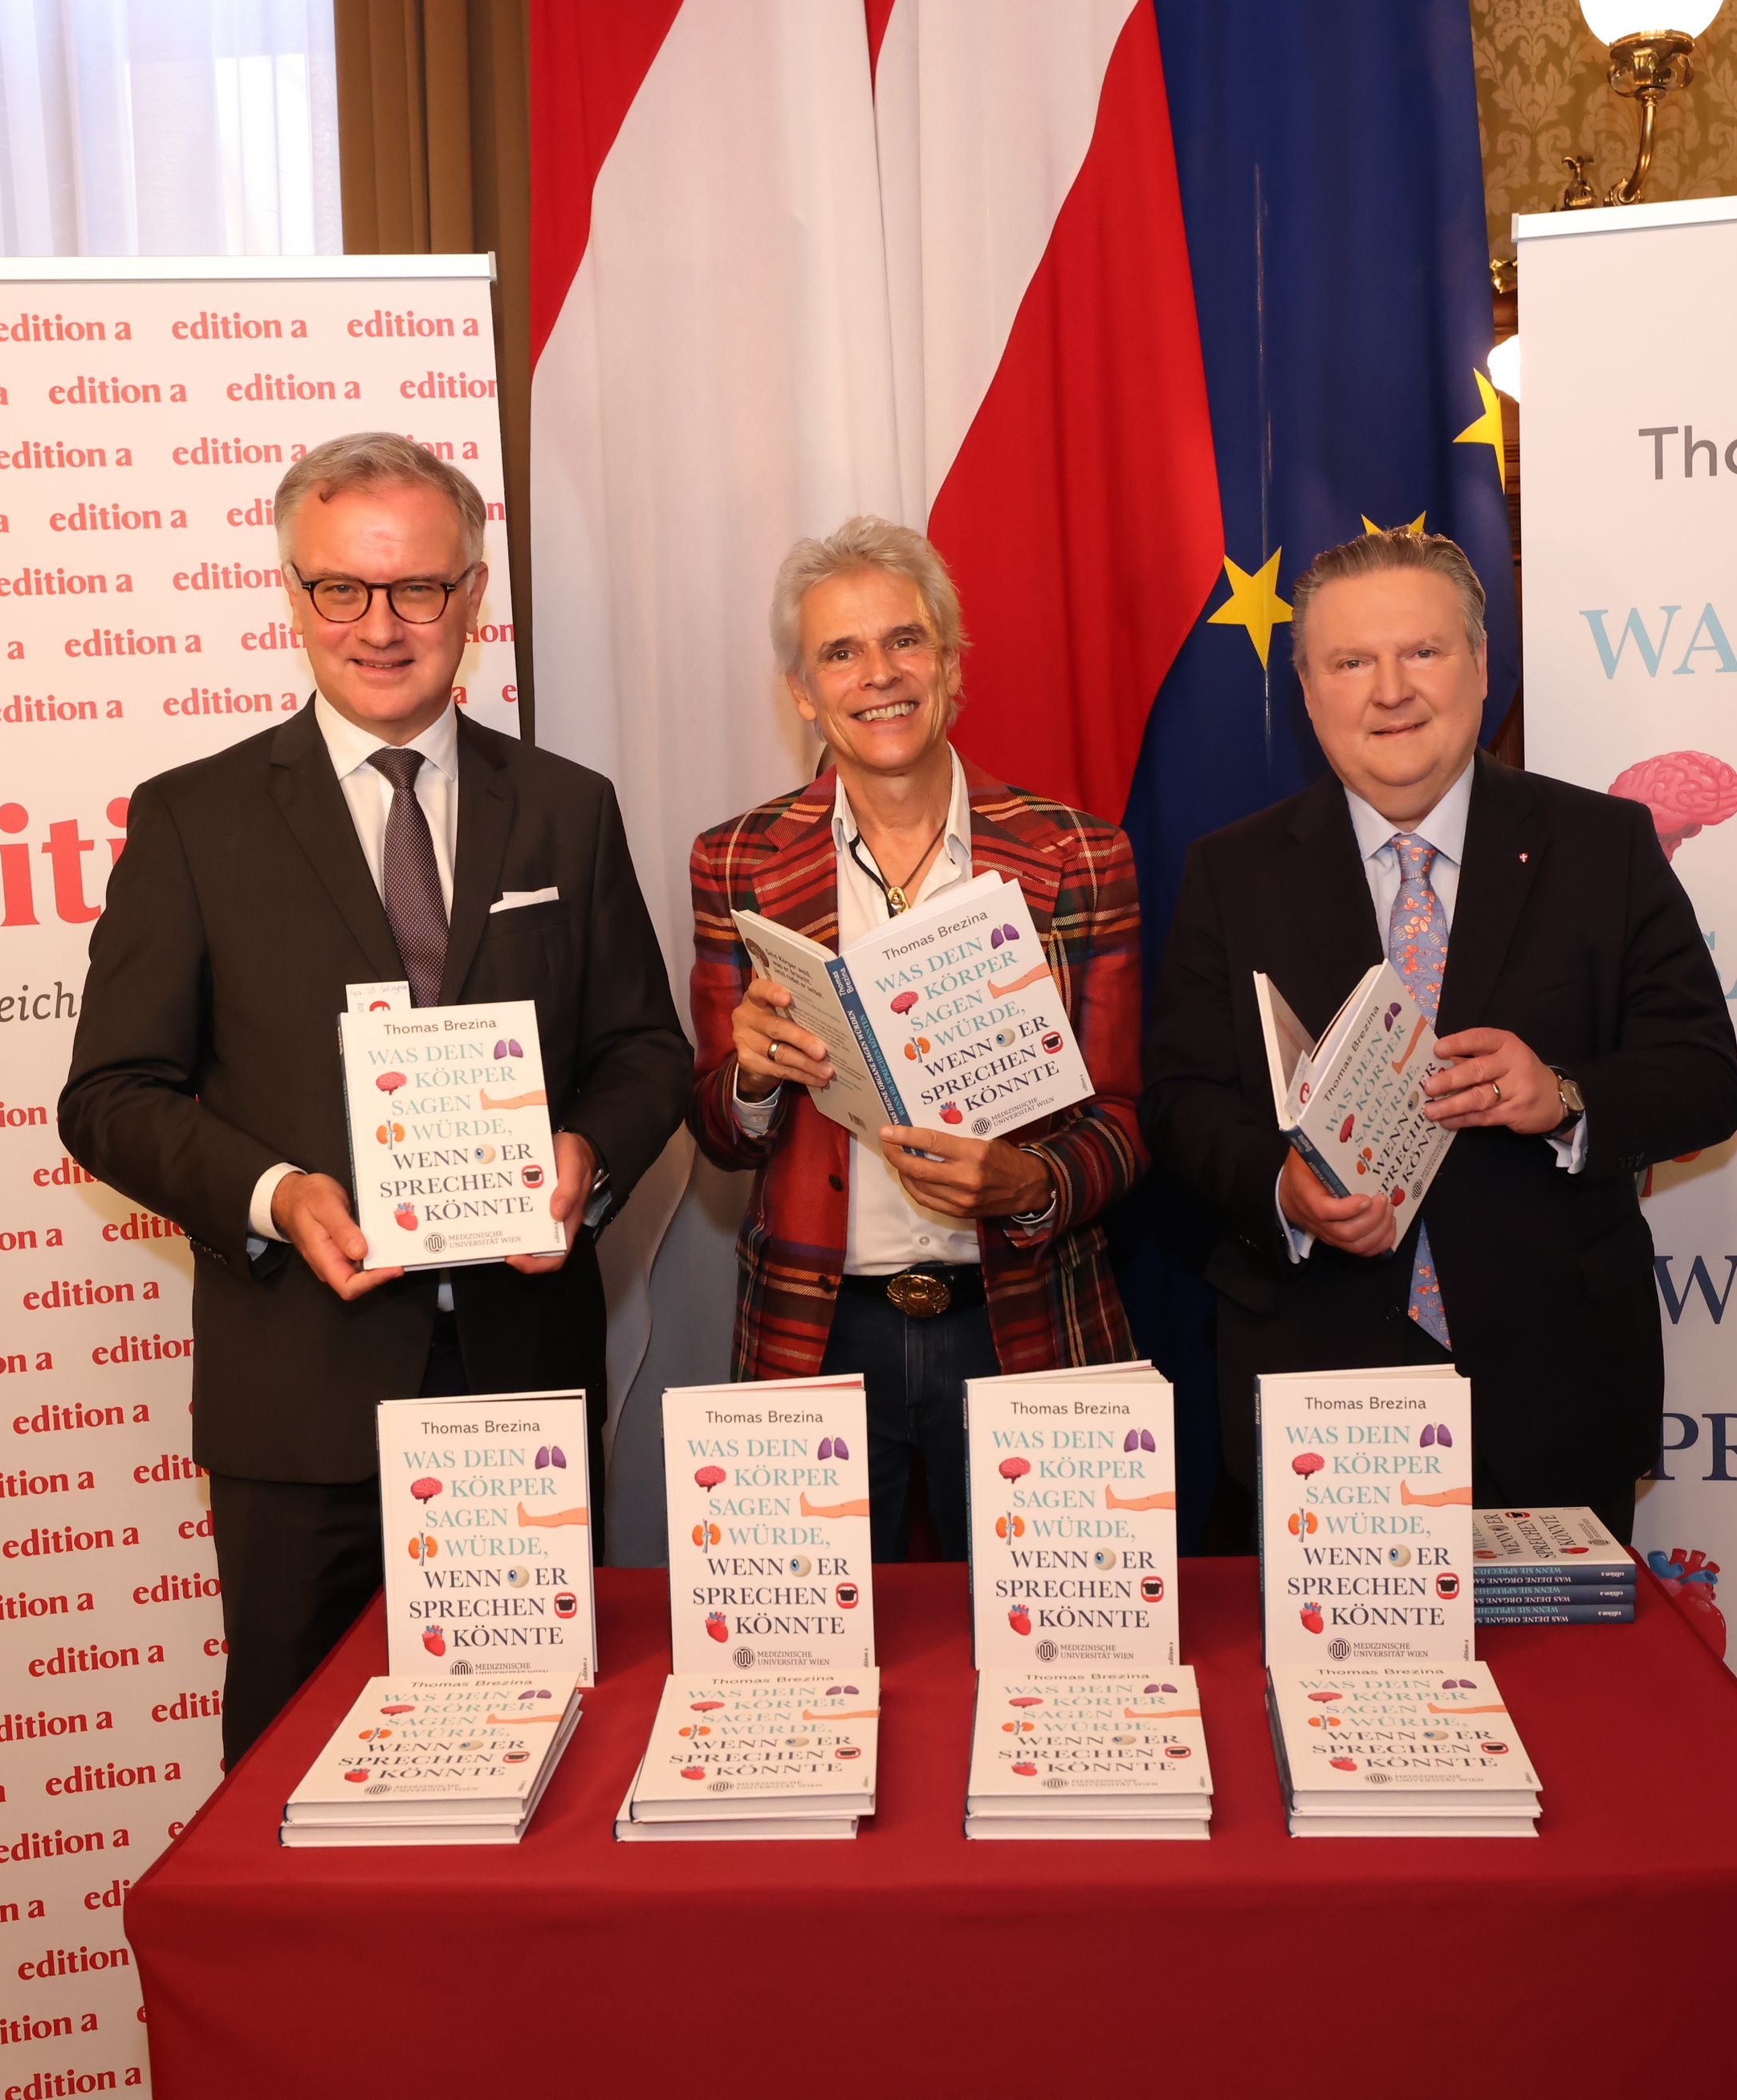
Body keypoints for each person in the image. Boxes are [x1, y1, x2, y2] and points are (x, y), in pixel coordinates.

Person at [59, 433, 690, 1763]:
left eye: (418, 588)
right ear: (293, 595)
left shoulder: (567, 809)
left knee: (540, 1759)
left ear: (473, 596)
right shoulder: (194, 820)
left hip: (521, 1391)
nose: (381, 625)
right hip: (300, 1395)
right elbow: (109, 1095)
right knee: (293, 1774)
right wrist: (276, 1195)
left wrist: (587, 1152)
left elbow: (645, 1051)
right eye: (342, 587)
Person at [1141, 529, 1737, 1541]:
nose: (1390, 692)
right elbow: (1181, 1101)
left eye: (1421, 652)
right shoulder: (1230, 873)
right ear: (1307, 689)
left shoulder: (1603, 847)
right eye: (1350, 662)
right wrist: (1281, 1188)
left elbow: (1701, 1080)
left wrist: (1564, 1095)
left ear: (1480, 664)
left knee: (1561, 1658)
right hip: (1318, 1398)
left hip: (1554, 1390)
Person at [687, 517, 1147, 1563]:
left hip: (1027, 1317)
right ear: (803, 691)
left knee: (1062, 1636)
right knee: (810, 1644)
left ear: (949, 664)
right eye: (840, 652)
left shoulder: (1077, 855)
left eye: (905, 640)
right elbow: (717, 1130)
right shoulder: (737, 861)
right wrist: (750, 1080)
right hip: (816, 1332)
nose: (879, 674)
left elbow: (1128, 1120)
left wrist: (1031, 1181)